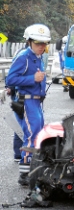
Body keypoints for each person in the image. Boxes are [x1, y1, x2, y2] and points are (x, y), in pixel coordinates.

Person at [6, 24, 51, 185]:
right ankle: (25, 174)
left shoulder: (38, 57)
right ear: (29, 41)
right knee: (31, 136)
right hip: (27, 101)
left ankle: (32, 168)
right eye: (38, 43)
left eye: (44, 43)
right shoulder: (24, 57)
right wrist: (33, 79)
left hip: (36, 101)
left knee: (38, 135)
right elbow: (10, 80)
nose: (42, 47)